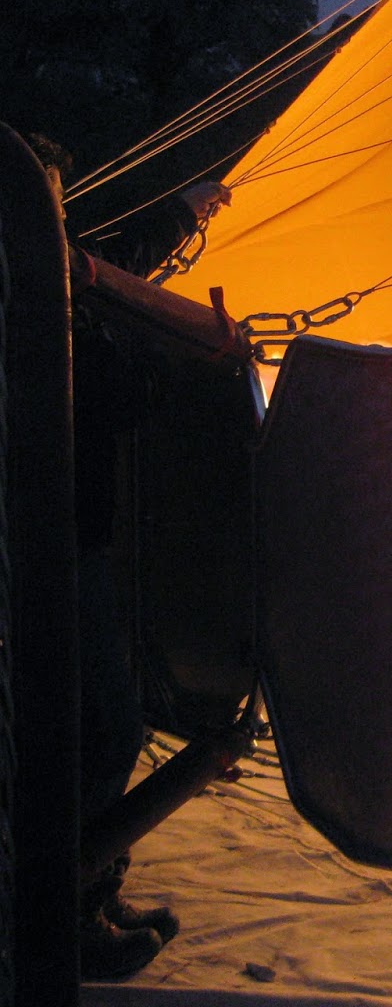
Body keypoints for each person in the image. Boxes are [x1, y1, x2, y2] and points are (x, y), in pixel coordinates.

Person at [25, 135, 230, 979]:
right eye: (44, 196)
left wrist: (188, 209)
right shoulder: (33, 299)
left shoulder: (60, 271)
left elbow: (116, 260)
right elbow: (105, 375)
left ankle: (90, 889)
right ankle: (59, 913)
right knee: (98, 729)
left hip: (83, 541)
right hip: (48, 552)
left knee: (112, 718)